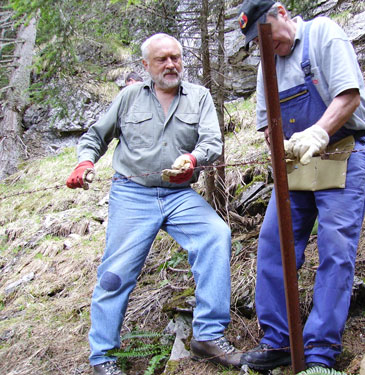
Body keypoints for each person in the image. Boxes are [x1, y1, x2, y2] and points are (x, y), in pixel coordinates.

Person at [66, 33, 242, 375]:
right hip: (132, 193)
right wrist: (84, 162)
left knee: (216, 235)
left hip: (179, 195)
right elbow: (95, 135)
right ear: (146, 65)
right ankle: (102, 356)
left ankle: (208, 335)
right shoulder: (129, 97)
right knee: (116, 275)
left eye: (175, 57)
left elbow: (211, 141)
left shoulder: (200, 97)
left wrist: (193, 159)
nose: (171, 64)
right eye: (162, 59)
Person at [238, 0, 365, 371]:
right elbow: (269, 123)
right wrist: (279, 143)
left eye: (267, 34)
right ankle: (279, 341)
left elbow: (348, 96)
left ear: (281, 13)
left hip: (344, 150)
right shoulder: (268, 63)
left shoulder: (323, 34)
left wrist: (319, 131)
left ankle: (319, 353)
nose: (266, 46)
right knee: (273, 242)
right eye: (257, 42)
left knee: (335, 247)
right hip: (297, 161)